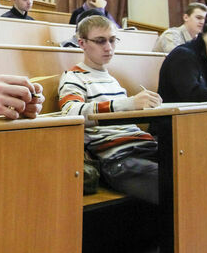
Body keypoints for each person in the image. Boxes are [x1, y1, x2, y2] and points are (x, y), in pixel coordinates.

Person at [58, 15, 162, 204]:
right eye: (100, 41)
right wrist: (130, 103)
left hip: (145, 147)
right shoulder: (73, 77)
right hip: (117, 158)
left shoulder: (112, 80)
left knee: (196, 166)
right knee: (172, 181)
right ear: (82, 43)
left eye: (112, 40)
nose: (108, 47)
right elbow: (72, 113)